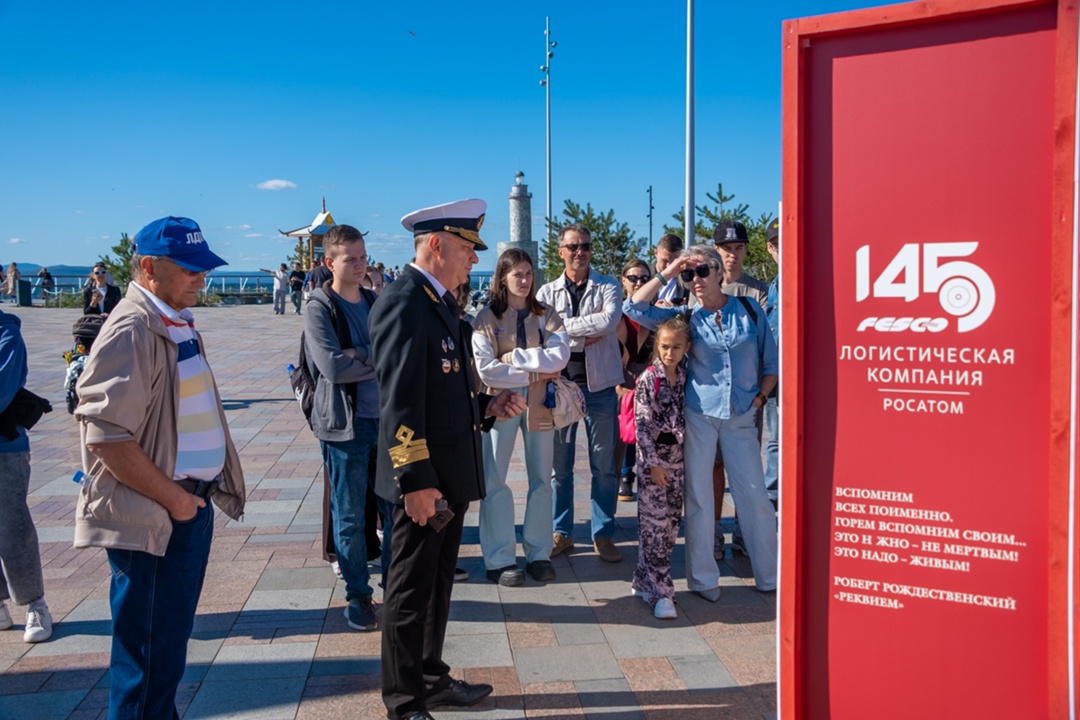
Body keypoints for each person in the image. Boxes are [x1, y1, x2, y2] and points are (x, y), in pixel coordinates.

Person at [74, 216, 246, 718]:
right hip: (159, 514)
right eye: (190, 268)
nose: (201, 278)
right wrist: (177, 503)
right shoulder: (131, 328)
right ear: (148, 267)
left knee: (164, 652)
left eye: (204, 268)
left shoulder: (172, 319)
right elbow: (106, 437)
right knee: (147, 657)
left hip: (183, 506)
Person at [371, 198, 526, 720]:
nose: (472, 261)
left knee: (436, 586)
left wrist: (488, 405)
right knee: (409, 591)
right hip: (424, 479)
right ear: (435, 245)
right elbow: (399, 403)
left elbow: (445, 391)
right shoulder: (404, 303)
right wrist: (414, 479)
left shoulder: (439, 304)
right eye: (465, 249)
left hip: (450, 476)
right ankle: (404, 701)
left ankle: (431, 678)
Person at [624, 244, 778, 600]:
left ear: (719, 272)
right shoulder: (686, 317)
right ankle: (704, 579)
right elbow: (633, 306)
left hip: (741, 416)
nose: (696, 280)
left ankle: (768, 574)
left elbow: (770, 361)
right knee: (699, 498)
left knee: (754, 496)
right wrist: (672, 267)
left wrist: (761, 396)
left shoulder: (749, 309)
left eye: (702, 271)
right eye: (689, 275)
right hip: (699, 416)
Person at [304, 224, 391, 631]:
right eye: (350, 259)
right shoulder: (320, 306)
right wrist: (368, 357)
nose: (359, 265)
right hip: (345, 427)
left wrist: (360, 352)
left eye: (362, 257)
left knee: (396, 509)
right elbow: (333, 367)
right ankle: (358, 594)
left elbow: (395, 353)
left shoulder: (376, 300)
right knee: (351, 515)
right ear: (328, 262)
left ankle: (397, 584)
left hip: (388, 423)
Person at [472, 248, 570, 586]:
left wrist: (514, 358)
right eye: (518, 274)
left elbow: (560, 357)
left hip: (540, 404)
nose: (525, 280)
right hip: (501, 404)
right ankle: (498, 558)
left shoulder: (546, 314)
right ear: (502, 277)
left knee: (542, 478)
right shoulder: (486, 317)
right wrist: (534, 369)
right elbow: (486, 371)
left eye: (529, 273)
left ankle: (538, 553)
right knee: (495, 479)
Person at [536, 223, 624, 563]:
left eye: (585, 245)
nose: (579, 251)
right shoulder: (546, 293)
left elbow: (608, 322)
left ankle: (603, 534)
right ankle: (563, 532)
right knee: (561, 467)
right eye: (572, 246)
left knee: (603, 465)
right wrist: (580, 334)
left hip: (600, 386)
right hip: (561, 387)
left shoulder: (609, 285)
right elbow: (543, 333)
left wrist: (564, 331)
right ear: (561, 252)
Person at [712, 219, 771, 557]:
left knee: (746, 469)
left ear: (746, 250)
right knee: (713, 468)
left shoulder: (758, 292)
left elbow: (766, 346)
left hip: (746, 397)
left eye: (738, 248)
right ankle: (715, 532)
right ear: (716, 250)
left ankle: (744, 533)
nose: (732, 255)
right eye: (726, 249)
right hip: (710, 399)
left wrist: (761, 393)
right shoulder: (703, 287)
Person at [631, 314, 691, 619]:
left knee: (669, 527)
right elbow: (641, 426)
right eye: (665, 347)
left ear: (686, 348)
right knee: (654, 528)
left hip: (678, 461)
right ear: (657, 346)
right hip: (654, 463)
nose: (670, 353)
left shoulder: (683, 377)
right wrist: (652, 465)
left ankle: (644, 579)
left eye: (676, 347)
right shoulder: (648, 379)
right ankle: (662, 592)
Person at [0, 309, 53, 643]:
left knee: (12, 525)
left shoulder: (7, 334)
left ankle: (35, 603)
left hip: (4, 447)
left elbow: (3, 389)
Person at [615, 258, 655, 502]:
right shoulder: (615, 312)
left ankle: (648, 475)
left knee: (650, 428)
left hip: (651, 375)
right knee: (627, 426)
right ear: (623, 281)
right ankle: (625, 475)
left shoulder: (656, 311)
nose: (638, 282)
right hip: (623, 375)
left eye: (643, 278)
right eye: (633, 278)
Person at [763, 219, 780, 510]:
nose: (783, 249)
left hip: (799, 378)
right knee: (776, 442)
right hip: (775, 379)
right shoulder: (774, 286)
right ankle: (773, 503)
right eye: (778, 245)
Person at [653, 233, 687, 307]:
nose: (669, 266)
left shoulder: (687, 277)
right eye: (665, 260)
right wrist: (654, 309)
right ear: (655, 252)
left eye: (674, 261)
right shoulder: (643, 277)